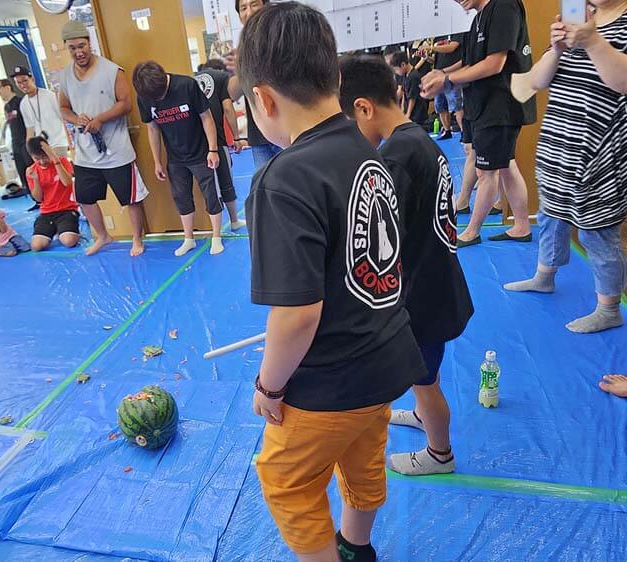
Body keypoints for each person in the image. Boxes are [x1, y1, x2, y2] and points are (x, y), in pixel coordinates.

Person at [239, 5, 425, 561]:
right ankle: (357, 545)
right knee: (364, 459)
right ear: (336, 81)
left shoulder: (283, 177)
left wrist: (270, 386)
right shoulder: (368, 151)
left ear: (263, 100)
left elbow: (296, 314)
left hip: (331, 380)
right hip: (388, 358)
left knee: (286, 480)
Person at [339, 55, 475, 476]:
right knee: (425, 377)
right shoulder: (418, 139)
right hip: (438, 281)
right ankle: (422, 416)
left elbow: (382, 239)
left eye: (351, 121)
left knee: (426, 381)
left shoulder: (396, 155)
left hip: (423, 294)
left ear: (364, 107)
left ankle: (440, 454)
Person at [504, 0, 627, 334]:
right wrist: (557, 47)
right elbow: (538, 80)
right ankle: (545, 276)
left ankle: (609, 307)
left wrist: (593, 42)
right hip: (559, 141)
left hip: (600, 148)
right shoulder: (584, 18)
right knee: (550, 214)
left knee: (597, 230)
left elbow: (622, 80)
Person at [422, 0, 535, 247]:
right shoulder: (477, 18)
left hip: (501, 104)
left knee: (488, 170)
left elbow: (495, 63)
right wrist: (441, 75)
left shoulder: (504, 6)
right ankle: (521, 225)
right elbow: (470, 62)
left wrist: (448, 80)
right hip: (483, 103)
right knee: (504, 164)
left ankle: (471, 231)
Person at [58, 20, 149, 257]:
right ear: (66, 48)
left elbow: (126, 104)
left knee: (131, 198)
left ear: (90, 43)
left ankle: (137, 238)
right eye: (72, 48)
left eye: (82, 46)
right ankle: (103, 235)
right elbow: (63, 108)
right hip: (85, 152)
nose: (79, 52)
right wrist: (75, 118)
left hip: (116, 150)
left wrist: (100, 119)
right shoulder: (65, 76)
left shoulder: (112, 70)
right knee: (85, 198)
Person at [134, 61, 227, 257]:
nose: (158, 100)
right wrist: (157, 161)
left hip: (201, 152)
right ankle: (188, 239)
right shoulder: (144, 96)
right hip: (175, 157)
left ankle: (216, 237)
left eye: (160, 95)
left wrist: (213, 149)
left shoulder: (186, 85)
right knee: (181, 197)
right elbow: (152, 129)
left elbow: (206, 117)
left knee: (210, 194)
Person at [226, 0, 283, 170]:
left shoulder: (281, 35)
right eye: (243, 8)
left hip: (287, 129)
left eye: (254, 4)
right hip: (259, 134)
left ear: (265, 5)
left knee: (295, 187)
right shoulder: (243, 49)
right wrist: (243, 67)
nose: (249, 11)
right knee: (265, 189)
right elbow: (232, 93)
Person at [194, 59, 247, 230]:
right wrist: (237, 137)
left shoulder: (192, 79)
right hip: (217, 139)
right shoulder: (222, 77)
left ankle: (214, 230)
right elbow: (228, 108)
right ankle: (234, 220)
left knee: (209, 186)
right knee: (226, 179)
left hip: (197, 143)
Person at [26, 135, 81, 251]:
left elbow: (67, 183)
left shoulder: (62, 161)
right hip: (47, 212)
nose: (42, 162)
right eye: (37, 158)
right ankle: (56, 230)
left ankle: (66, 230)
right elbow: (38, 199)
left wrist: (55, 159)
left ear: (49, 152)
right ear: (31, 156)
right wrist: (36, 180)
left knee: (69, 241)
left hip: (66, 210)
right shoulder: (31, 171)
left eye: (45, 157)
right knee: (36, 246)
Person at [13, 66, 70, 157]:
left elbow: (64, 117)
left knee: (60, 169)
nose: (22, 85)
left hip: (59, 143)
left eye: (25, 80)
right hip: (41, 148)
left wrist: (70, 142)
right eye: (18, 83)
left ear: (32, 79)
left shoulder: (49, 96)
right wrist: (31, 151)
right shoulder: (23, 104)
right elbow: (30, 129)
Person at [0, 78, 32, 196]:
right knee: (22, 172)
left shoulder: (21, 102)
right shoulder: (7, 107)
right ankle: (33, 198)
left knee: (31, 170)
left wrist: (29, 140)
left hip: (25, 142)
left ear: (7, 87)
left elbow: (29, 124)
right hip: (15, 144)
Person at [431, 34, 467, 140]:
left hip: (453, 73)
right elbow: (436, 59)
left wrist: (431, 47)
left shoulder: (456, 33)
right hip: (439, 74)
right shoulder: (438, 37)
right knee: (439, 105)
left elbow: (452, 47)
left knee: (456, 105)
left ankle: (463, 132)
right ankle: (447, 130)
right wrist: (427, 57)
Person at [390, 52, 429, 126]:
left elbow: (412, 98)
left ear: (403, 65)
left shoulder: (413, 76)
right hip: (410, 111)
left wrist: (408, 114)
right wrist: (402, 110)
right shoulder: (405, 75)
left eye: (396, 69)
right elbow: (404, 94)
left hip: (417, 113)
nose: (396, 72)